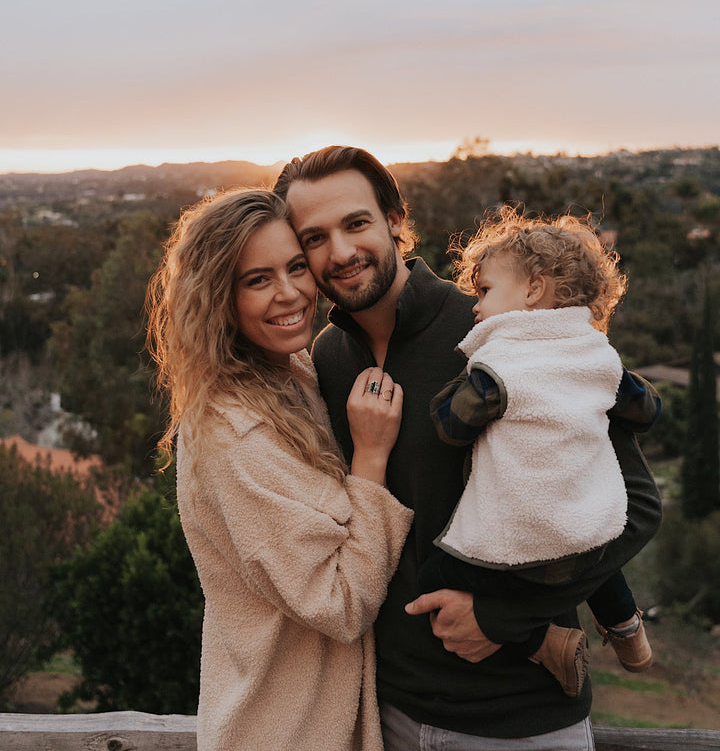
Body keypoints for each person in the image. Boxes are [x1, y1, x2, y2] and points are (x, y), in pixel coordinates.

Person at [274, 146, 663, 751]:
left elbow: (635, 506)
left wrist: (500, 618)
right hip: (385, 714)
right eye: (315, 237)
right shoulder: (325, 359)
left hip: (521, 720)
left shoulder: (502, 329)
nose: (341, 252)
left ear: (396, 221)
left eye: (356, 224)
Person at [146, 187, 413, 751]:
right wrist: (370, 458)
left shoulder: (294, 373)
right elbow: (340, 604)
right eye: (258, 279)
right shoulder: (232, 434)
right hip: (282, 730)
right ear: (218, 297)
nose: (291, 293)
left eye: (296, 267)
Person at [418, 205, 658, 695]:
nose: (475, 305)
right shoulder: (598, 355)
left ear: (532, 290)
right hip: (586, 525)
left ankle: (541, 642)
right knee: (593, 547)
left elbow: (451, 427)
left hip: (523, 533)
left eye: (484, 290)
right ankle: (626, 626)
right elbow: (645, 410)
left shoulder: (501, 362)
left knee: (427, 582)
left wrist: (454, 388)